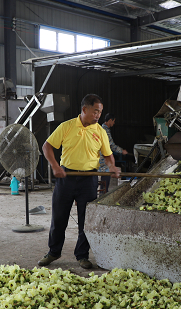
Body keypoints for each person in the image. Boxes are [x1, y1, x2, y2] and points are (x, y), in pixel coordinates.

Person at [39, 94, 121, 269]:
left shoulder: (100, 131)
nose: (98, 115)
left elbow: (108, 156)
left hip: (89, 179)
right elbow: (47, 146)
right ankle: (53, 252)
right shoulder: (67, 126)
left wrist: (112, 167)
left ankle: (82, 255)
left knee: (86, 219)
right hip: (65, 177)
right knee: (59, 217)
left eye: (100, 112)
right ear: (85, 110)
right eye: (95, 111)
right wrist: (55, 166)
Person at [98, 113, 128, 192]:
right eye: (113, 121)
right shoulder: (105, 131)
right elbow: (111, 145)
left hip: (99, 157)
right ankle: (102, 195)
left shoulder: (101, 128)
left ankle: (102, 193)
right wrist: (121, 151)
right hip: (103, 159)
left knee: (103, 178)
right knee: (106, 175)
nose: (114, 123)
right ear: (110, 120)